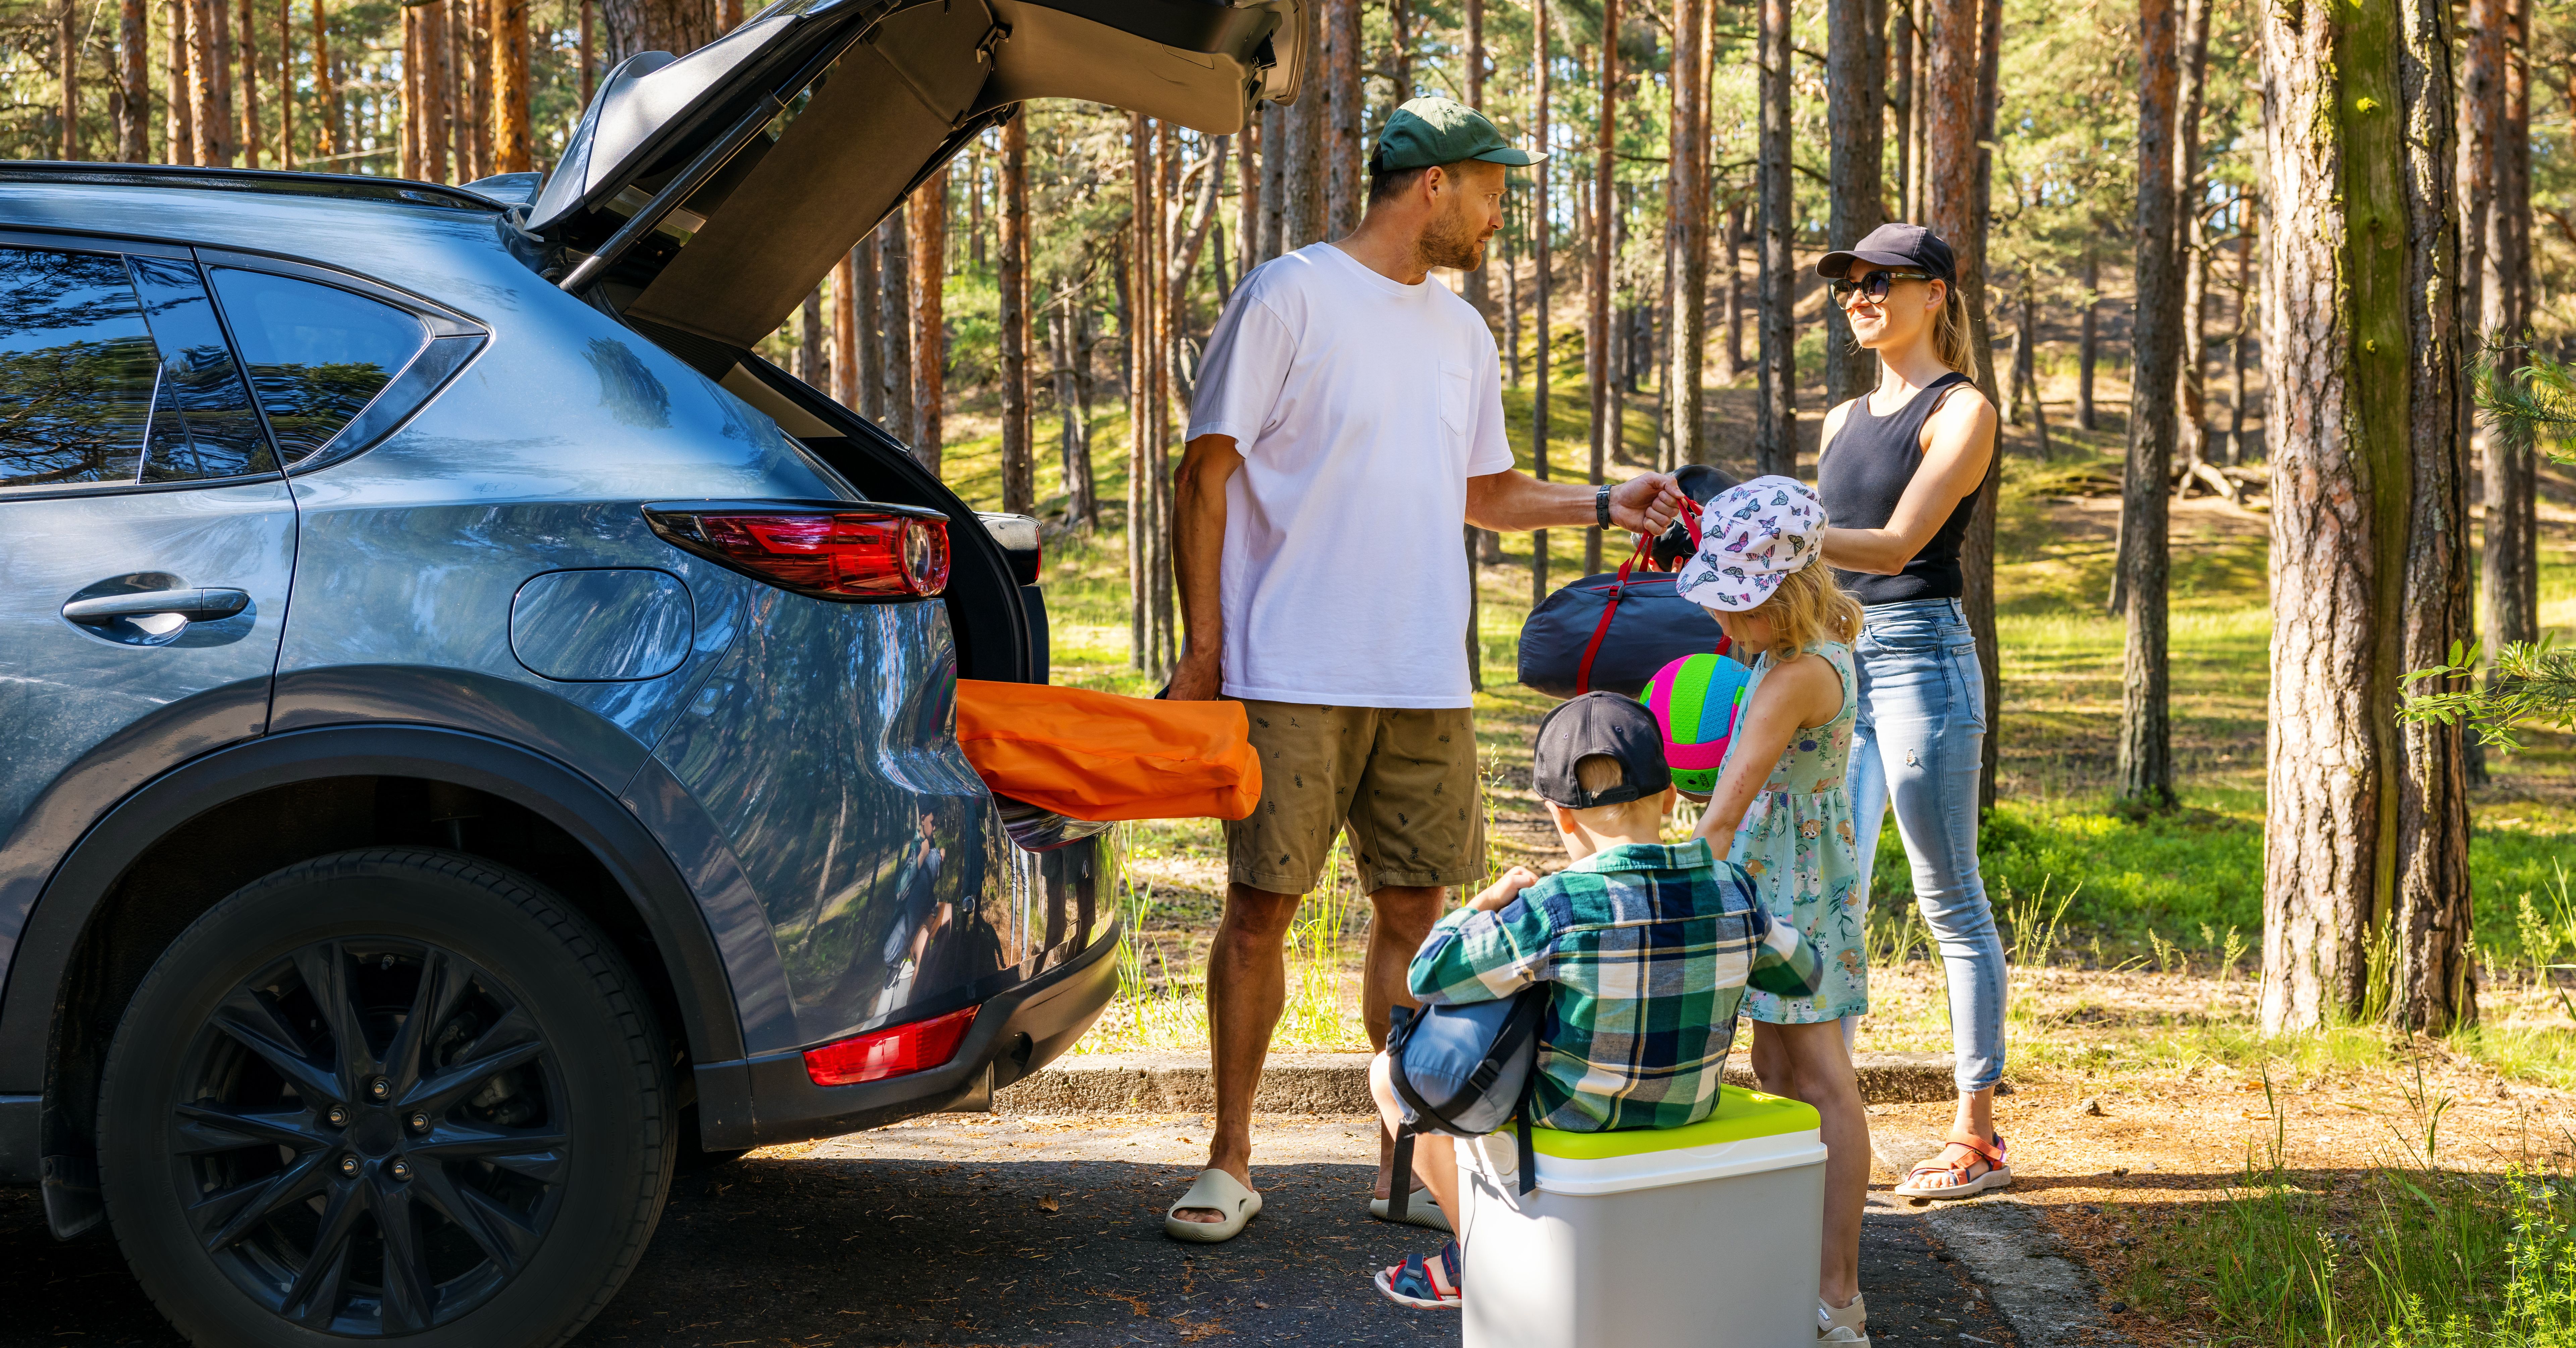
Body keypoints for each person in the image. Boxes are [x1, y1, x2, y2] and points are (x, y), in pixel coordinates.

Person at [1165, 95, 1692, 1242]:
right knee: (1262, 909)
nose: (1504, 210)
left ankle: (1405, 1160)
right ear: (1434, 185)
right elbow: (1203, 475)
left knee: (1417, 910)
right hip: (1290, 662)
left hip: (1421, 672)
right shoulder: (1290, 295)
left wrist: (1610, 499)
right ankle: (1230, 1155)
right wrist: (1204, 652)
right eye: (1493, 185)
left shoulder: (1460, 331)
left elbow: (1486, 494)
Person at [1366, 692, 1824, 1309]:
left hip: (1572, 1119)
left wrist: (1486, 902)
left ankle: (1478, 1254)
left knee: (1389, 1077)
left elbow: (1428, 974)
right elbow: (1805, 975)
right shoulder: (1734, 890)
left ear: (1560, 816)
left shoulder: (1555, 906)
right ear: (1669, 797)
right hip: (1689, 1108)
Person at [1811, 223, 2011, 1204]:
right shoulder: (1842, 417)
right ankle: (1827, 1114)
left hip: (1922, 659)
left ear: (1935, 293)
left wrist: (1779, 529)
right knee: (1833, 897)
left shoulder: (1962, 410)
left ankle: (1976, 1134)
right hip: (1836, 663)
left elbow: (1892, 546)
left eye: (1881, 282)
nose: (1860, 296)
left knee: (1949, 900)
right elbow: (1830, 568)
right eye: (1849, 283)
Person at [1677, 477, 1874, 1345]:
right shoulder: (1799, 650)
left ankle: (1837, 1295)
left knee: (1822, 1078)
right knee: (1780, 1073)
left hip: (1788, 891)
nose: (1721, 625)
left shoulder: (1795, 674)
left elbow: (1729, 804)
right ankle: (1788, 1271)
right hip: (1785, 877)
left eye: (1736, 604)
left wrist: (1665, 890)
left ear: (1784, 594)